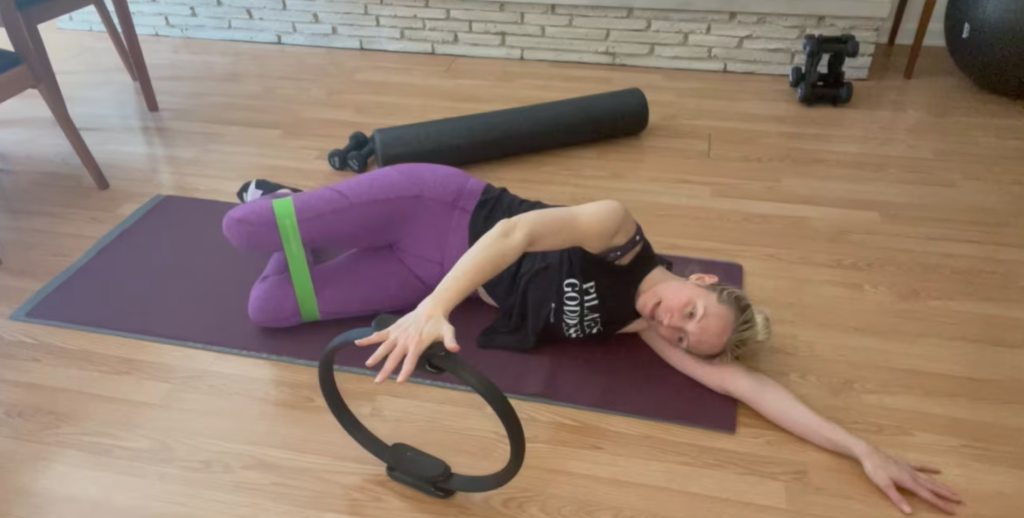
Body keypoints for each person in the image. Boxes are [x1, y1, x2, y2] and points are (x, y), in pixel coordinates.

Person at [222, 164, 962, 515]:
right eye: (692, 314)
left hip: (424, 273)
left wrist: (865, 448)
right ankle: (290, 204)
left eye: (688, 339)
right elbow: (512, 234)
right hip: (437, 211)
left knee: (269, 305)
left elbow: (751, 387)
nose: (676, 325)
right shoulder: (618, 229)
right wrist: (431, 311)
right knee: (243, 227)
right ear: (701, 282)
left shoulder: (642, 325)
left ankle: (317, 223)